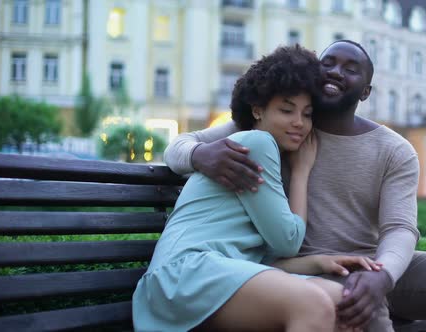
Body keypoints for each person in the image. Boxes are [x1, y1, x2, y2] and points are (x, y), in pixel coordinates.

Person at [163, 40, 426, 332]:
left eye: (350, 68)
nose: (335, 72)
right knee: (360, 306)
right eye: (327, 63)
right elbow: (178, 146)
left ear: (366, 91)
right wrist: (200, 154)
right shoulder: (280, 126)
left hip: (371, 263)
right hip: (298, 269)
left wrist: (385, 275)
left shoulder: (394, 150)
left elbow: (401, 229)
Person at [133, 45, 381, 332]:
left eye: (307, 114)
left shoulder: (269, 147)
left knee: (342, 303)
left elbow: (256, 259)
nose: (299, 123)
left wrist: (319, 262)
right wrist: (301, 173)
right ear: (257, 110)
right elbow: (287, 241)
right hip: (182, 276)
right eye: (287, 110)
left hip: (218, 274)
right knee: (311, 303)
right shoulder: (256, 143)